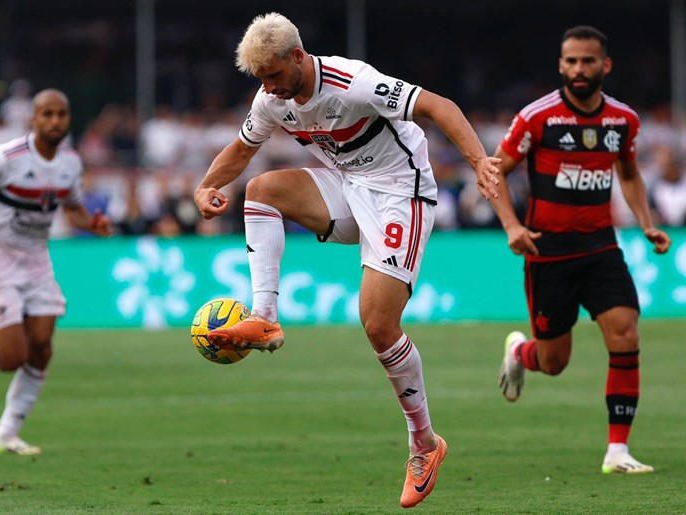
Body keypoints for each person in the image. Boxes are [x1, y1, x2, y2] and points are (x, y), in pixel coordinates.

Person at [192, 13, 501, 507]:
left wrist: (479, 161)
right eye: (261, 80)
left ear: (297, 56)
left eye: (273, 75)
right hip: (349, 186)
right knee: (261, 191)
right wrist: (207, 184)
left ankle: (424, 444)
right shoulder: (271, 99)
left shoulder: (354, 82)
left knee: (378, 325)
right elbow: (242, 147)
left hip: (402, 191)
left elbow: (439, 106)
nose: (268, 88)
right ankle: (265, 319)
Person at [491, 26, 671, 474]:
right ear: (560, 65)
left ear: (605, 66)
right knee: (554, 362)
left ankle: (617, 450)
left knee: (626, 332)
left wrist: (647, 224)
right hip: (547, 252)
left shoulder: (622, 121)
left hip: (601, 249)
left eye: (587, 61)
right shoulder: (538, 117)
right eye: (570, 61)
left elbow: (628, 173)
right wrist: (512, 226)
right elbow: (493, 171)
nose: (578, 69)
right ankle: (519, 354)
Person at [0, 89, 112, 455]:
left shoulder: (70, 164)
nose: (55, 121)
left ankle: (6, 433)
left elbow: (72, 208)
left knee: (42, 349)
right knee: (10, 359)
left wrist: (89, 224)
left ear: (68, 119)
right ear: (33, 119)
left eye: (61, 114)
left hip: (37, 264)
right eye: (47, 114)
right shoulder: (6, 157)